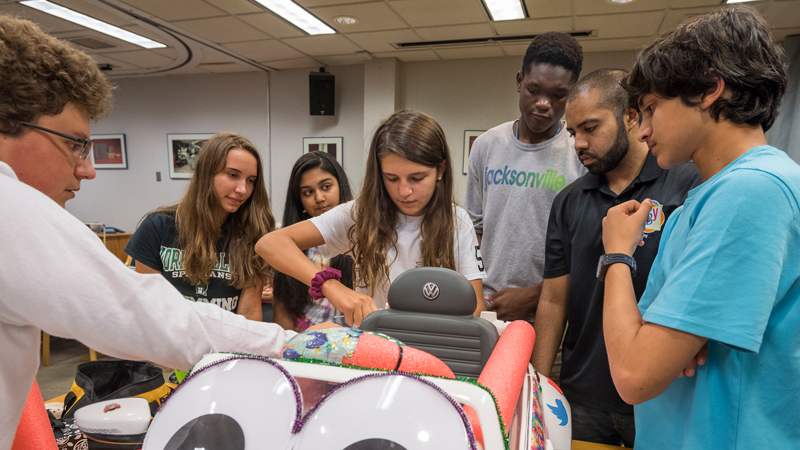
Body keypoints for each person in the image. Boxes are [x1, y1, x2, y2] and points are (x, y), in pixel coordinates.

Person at [0, 13, 297, 445]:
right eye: (73, 144)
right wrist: (285, 342)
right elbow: (138, 311)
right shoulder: (12, 208)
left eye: (250, 180)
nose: (87, 169)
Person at [600, 7, 800, 448]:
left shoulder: (750, 192)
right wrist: (679, 340)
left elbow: (634, 373)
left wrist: (616, 254)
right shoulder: (710, 196)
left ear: (710, 88)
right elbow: (656, 342)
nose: (644, 131)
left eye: (652, 108)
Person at [530, 69, 702, 447]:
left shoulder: (687, 184)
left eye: (590, 128)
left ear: (630, 116)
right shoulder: (568, 201)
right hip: (584, 394)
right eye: (573, 132)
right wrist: (539, 387)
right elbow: (554, 299)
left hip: (664, 390)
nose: (579, 143)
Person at [257, 110, 487, 326]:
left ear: (441, 170)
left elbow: (475, 307)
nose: (404, 191)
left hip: (433, 346)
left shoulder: (458, 221)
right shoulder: (359, 214)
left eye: (417, 178)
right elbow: (269, 244)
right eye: (392, 178)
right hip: (373, 349)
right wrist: (329, 286)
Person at [466, 32, 587, 322]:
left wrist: (536, 295)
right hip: (488, 308)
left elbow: (586, 247)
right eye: (534, 90)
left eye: (558, 95)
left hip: (552, 311)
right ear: (520, 81)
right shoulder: (486, 145)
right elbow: (474, 231)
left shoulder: (580, 152)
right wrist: (476, 292)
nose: (544, 103)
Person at [125, 132, 272, 323]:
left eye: (250, 180)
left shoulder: (253, 232)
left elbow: (249, 313)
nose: (242, 189)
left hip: (226, 345)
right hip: (171, 340)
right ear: (206, 173)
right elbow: (149, 307)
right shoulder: (158, 226)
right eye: (233, 175)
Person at [272, 151, 355, 331]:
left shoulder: (361, 237)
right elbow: (283, 305)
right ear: (299, 200)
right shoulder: (289, 245)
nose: (319, 198)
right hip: (304, 348)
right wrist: (292, 348)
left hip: (355, 348)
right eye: (308, 192)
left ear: (340, 186)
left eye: (326, 187)